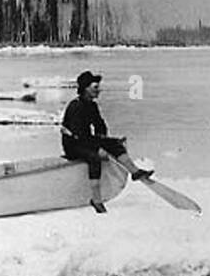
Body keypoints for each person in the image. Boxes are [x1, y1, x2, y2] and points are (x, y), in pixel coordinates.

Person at [59, 70, 152, 213]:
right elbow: (78, 135)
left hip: (85, 140)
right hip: (73, 144)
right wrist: (98, 148)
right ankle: (96, 200)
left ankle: (135, 172)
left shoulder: (92, 105)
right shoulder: (76, 106)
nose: (99, 90)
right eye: (95, 87)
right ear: (85, 88)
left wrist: (107, 141)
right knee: (94, 158)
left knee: (115, 144)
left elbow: (100, 126)